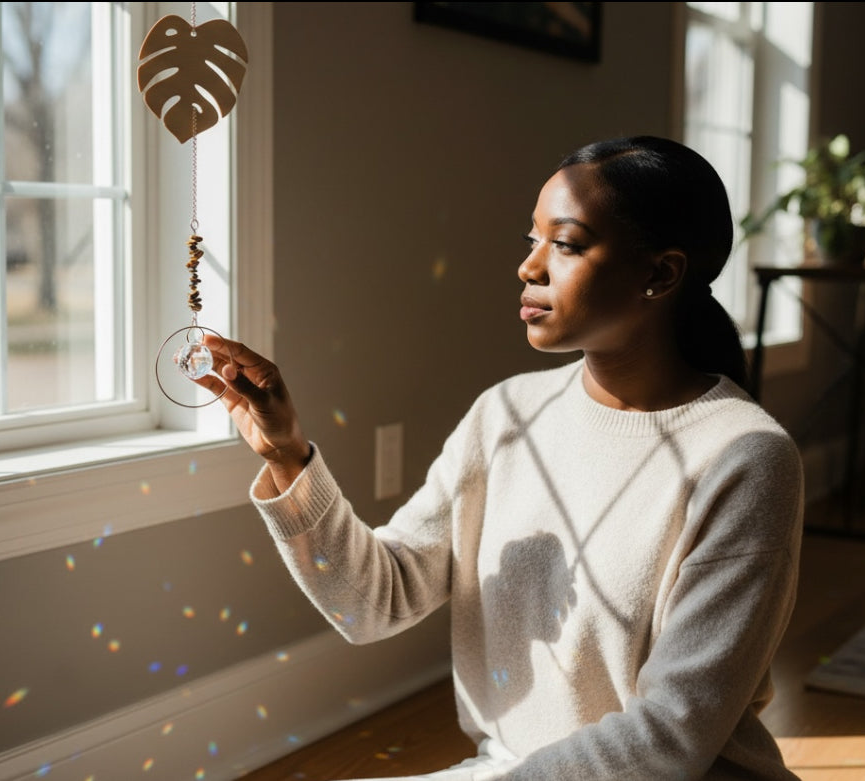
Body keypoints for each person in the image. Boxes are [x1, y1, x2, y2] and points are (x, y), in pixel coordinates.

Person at [197, 136, 804, 780]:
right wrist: (289, 458)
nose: (528, 267)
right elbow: (372, 604)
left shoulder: (745, 458)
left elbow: (671, 737)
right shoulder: (508, 415)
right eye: (531, 240)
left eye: (565, 244)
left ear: (660, 274)